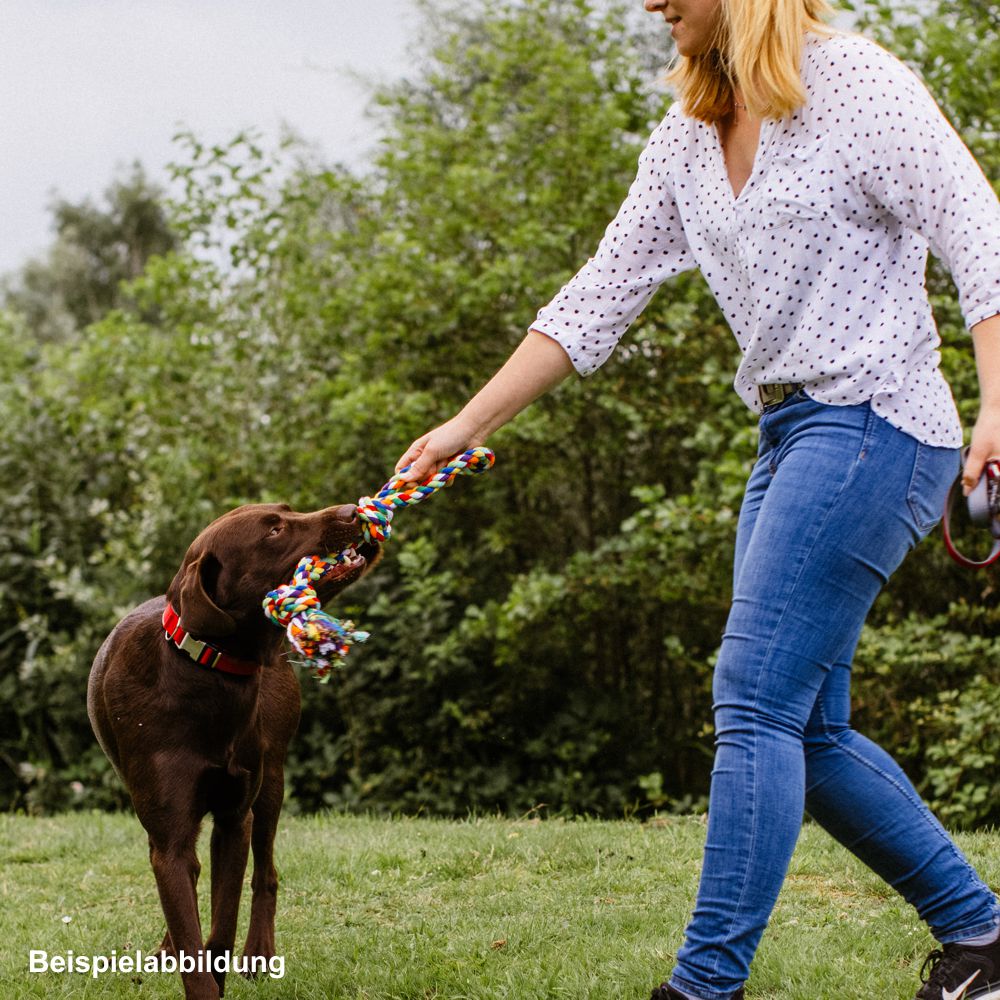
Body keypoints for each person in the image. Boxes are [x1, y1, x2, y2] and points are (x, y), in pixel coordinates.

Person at [394, 1, 1000, 997]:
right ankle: (981, 934)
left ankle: (701, 986)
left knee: (752, 700)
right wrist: (468, 423)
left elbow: (978, 230)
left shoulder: (855, 86)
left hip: (875, 420)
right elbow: (600, 291)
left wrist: (994, 407)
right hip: (788, 430)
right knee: (806, 728)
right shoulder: (687, 133)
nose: (648, 2)